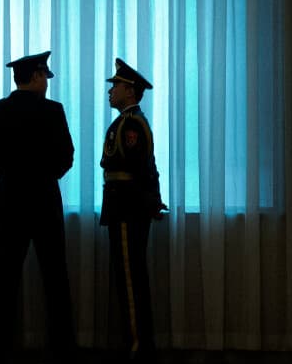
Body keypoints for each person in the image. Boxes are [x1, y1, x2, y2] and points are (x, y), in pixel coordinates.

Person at [0, 51, 77, 364]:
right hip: (46, 203)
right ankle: (63, 350)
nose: (46, 83)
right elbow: (67, 156)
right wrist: (45, 173)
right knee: (56, 279)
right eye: (44, 77)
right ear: (35, 76)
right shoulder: (53, 111)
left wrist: (13, 171)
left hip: (11, 204)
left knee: (5, 279)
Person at [100, 58, 168, 363]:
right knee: (129, 276)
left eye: (116, 85)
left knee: (130, 279)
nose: (110, 90)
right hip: (123, 206)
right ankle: (137, 342)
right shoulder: (126, 122)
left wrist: (150, 202)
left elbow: (142, 169)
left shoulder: (132, 124)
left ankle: (139, 346)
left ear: (130, 90)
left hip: (127, 208)